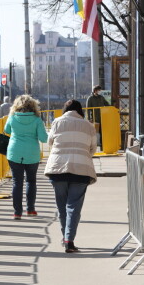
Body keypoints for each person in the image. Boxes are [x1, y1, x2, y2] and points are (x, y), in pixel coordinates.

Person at [44, 100, 97, 253]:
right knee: (74, 206)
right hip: (81, 170)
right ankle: (69, 240)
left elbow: (50, 142)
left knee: (62, 207)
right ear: (81, 111)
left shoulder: (57, 122)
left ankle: (65, 237)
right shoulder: (88, 125)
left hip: (58, 169)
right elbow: (92, 148)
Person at [5, 95, 48, 219]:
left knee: (17, 182)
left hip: (14, 152)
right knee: (31, 181)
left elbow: (6, 130)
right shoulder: (37, 119)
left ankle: (17, 212)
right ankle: (31, 209)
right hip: (32, 153)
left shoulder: (12, 117)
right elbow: (43, 138)